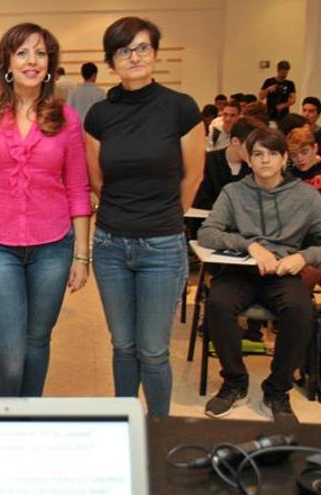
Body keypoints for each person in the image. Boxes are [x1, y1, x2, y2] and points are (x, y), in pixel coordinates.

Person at [0, 23, 91, 397]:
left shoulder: (67, 120)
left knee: (36, 342)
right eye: (22, 53)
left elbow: (78, 190)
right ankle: (5, 423)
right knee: (8, 351)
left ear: (50, 65)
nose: (32, 61)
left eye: (40, 53)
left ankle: (31, 421)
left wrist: (82, 255)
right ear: (8, 63)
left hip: (53, 245)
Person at [83, 16, 205, 416]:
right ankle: (125, 425)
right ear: (111, 60)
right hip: (110, 245)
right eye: (123, 50)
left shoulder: (181, 109)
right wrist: (127, 213)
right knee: (122, 345)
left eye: (142, 48)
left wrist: (164, 216)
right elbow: (97, 180)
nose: (134, 56)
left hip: (163, 246)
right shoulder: (99, 115)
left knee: (153, 350)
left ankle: (158, 430)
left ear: (154, 53)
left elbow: (193, 175)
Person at [198, 127, 321, 424]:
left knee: (300, 309)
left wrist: (304, 257)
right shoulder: (234, 192)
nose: (264, 160)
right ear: (250, 160)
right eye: (257, 154)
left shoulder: (305, 196)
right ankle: (234, 382)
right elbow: (207, 233)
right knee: (217, 304)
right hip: (241, 269)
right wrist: (249, 245)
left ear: (284, 160)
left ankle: (277, 389)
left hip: (282, 272)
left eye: (272, 154)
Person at [193, 117, 262, 210]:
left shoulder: (255, 167)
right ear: (235, 141)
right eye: (251, 147)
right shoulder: (206, 162)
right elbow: (199, 200)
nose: (256, 152)